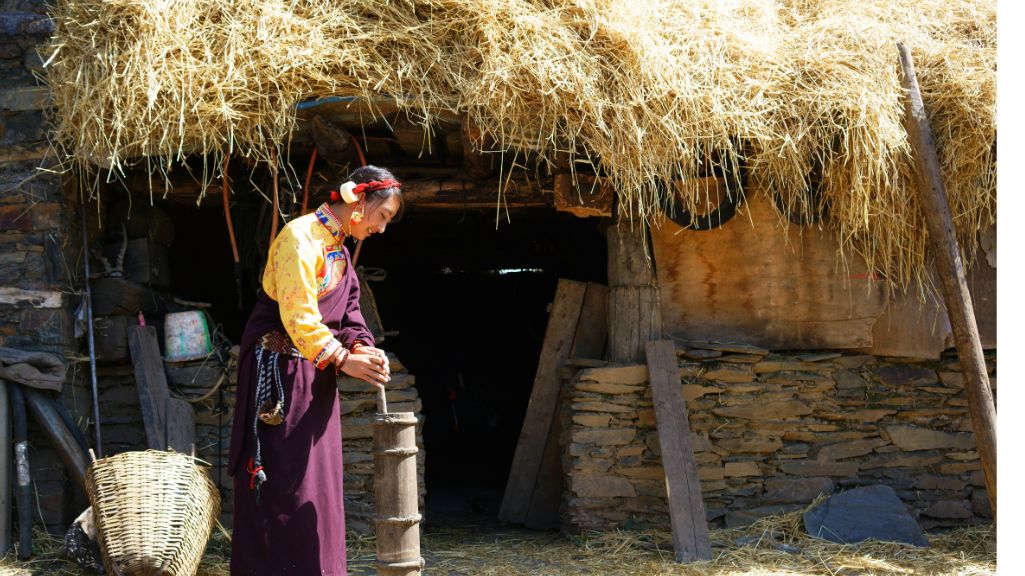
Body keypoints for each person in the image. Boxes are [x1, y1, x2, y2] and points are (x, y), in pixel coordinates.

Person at [228, 165, 403, 575]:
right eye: (382, 216)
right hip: (279, 384)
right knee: (284, 489)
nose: (381, 228)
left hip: (313, 383)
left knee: (319, 490)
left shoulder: (338, 250)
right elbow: (300, 319)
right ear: (359, 202)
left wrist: (363, 347)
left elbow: (350, 313)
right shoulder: (299, 238)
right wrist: (344, 360)